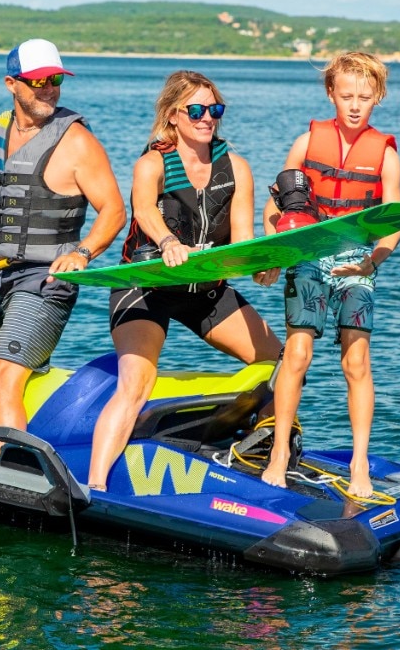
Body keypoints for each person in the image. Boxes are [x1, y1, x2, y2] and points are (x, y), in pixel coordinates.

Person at [86, 70, 283, 492]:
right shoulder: (152, 163)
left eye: (214, 109)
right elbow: (143, 211)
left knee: (278, 360)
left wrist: (260, 265)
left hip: (203, 290)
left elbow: (242, 240)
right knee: (136, 383)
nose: (206, 117)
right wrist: (168, 241)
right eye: (196, 110)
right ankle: (94, 487)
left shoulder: (236, 167)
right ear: (173, 116)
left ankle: (268, 454)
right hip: (148, 285)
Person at [0, 38, 126, 455]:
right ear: (12, 83)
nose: (49, 89)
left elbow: (114, 210)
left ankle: (10, 471)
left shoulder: (76, 142)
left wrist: (82, 252)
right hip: (0, 277)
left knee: (4, 375)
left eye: (56, 80)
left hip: (47, 281)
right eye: (39, 80)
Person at [259, 52, 400, 501]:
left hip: (357, 260)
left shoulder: (385, 154)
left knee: (356, 361)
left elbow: (394, 220)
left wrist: (372, 263)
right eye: (346, 96)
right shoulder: (306, 144)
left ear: (377, 97)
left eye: (364, 97)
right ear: (330, 94)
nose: (355, 105)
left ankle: (359, 460)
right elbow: (276, 209)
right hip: (309, 255)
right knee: (297, 354)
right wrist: (274, 254)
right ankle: (279, 452)